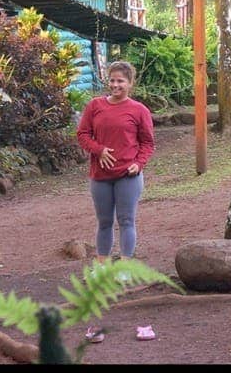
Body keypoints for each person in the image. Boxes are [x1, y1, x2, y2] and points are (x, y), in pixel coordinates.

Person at [75, 60, 154, 312]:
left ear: (130, 83)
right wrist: (99, 150)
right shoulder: (95, 106)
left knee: (127, 221)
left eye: (121, 80)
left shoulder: (139, 110)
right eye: (112, 80)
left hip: (128, 175)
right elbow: (83, 135)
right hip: (100, 175)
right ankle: (102, 266)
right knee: (104, 222)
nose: (115, 84)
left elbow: (147, 143)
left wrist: (138, 164)